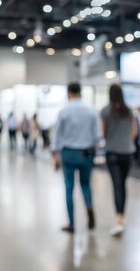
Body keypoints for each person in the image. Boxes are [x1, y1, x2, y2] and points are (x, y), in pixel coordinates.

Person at [52, 83, 101, 233]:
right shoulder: (91, 111)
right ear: (80, 93)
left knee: (69, 187)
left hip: (69, 153)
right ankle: (89, 207)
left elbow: (57, 135)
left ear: (69, 93)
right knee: (85, 185)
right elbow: (97, 136)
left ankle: (72, 223)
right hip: (86, 153)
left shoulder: (64, 111)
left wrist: (55, 155)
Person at [101, 84, 138, 237]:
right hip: (127, 152)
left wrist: (112, 140)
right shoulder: (128, 111)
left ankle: (118, 219)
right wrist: (125, 141)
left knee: (116, 185)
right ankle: (122, 216)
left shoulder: (105, 111)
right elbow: (134, 132)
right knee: (122, 184)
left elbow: (103, 132)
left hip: (112, 152)